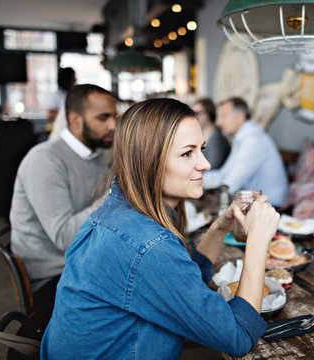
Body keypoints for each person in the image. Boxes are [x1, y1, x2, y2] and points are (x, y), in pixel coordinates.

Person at [41, 98, 280, 359]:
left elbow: (181, 285)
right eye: (187, 153)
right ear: (149, 161)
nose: (205, 164)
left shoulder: (118, 211)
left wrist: (219, 228)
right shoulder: (147, 244)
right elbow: (237, 335)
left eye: (201, 149)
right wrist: (258, 241)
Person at [10, 84, 117, 318]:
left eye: (115, 116)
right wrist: (115, 193)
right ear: (75, 119)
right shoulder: (45, 160)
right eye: (103, 118)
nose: (113, 125)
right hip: (53, 277)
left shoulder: (96, 155)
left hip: (84, 261)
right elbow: (65, 237)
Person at [203, 97, 288, 207]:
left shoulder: (253, 140)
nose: (219, 122)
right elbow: (224, 174)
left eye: (223, 116)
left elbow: (231, 185)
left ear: (240, 116)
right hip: (254, 203)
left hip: (271, 207)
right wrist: (194, 180)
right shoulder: (241, 139)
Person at [192, 98, 230, 169]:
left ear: (209, 113)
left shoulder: (217, 139)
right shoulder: (201, 136)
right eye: (193, 113)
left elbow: (213, 167)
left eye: (198, 113)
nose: (195, 117)